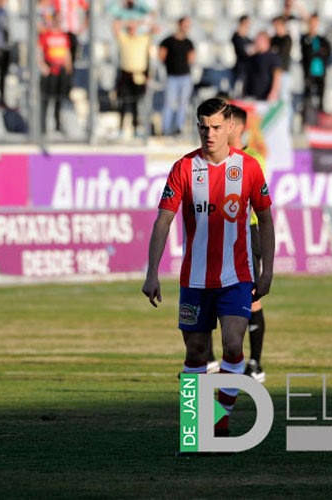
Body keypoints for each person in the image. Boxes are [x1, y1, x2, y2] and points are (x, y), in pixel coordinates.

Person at [142, 98, 275, 437]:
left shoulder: (249, 167)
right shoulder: (184, 168)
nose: (209, 134)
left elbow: (268, 219)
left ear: (230, 127)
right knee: (195, 352)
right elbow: (163, 220)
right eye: (203, 127)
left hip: (236, 275)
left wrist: (268, 269)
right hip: (195, 280)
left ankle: (219, 418)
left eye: (216, 127)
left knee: (232, 344)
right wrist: (152, 272)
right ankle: (192, 423)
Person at [228, 104, 268, 382]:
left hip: (246, 231)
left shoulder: (252, 158)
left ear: (238, 128)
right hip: (221, 234)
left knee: (251, 300)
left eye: (224, 125)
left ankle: (255, 363)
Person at [113, 18, 154, 138]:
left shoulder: (142, 39)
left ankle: (136, 128)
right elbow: (115, 26)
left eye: (133, 28)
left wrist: (138, 23)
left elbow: (154, 28)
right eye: (130, 28)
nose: (131, 30)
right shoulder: (124, 39)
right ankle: (120, 128)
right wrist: (127, 22)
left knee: (137, 103)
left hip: (139, 75)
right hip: (126, 75)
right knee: (123, 103)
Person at [159, 17, 195, 136]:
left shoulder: (189, 42)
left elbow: (191, 58)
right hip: (172, 77)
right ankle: (166, 128)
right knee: (169, 103)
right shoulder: (168, 41)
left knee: (183, 104)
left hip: (185, 77)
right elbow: (161, 55)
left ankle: (179, 127)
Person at [38, 12, 73, 134]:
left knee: (59, 99)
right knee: (46, 99)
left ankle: (58, 124)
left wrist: (69, 67)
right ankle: (42, 127)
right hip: (50, 70)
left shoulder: (64, 36)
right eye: (56, 19)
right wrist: (42, 66)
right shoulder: (46, 35)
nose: (58, 22)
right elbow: (38, 51)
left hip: (61, 71)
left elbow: (67, 52)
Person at [300, 13, 331, 124]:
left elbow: (326, 52)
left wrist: (317, 53)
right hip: (309, 73)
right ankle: (306, 121)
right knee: (307, 98)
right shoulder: (305, 39)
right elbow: (307, 54)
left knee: (320, 98)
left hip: (320, 72)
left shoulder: (322, 39)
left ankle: (320, 121)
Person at [244, 31, 282, 102]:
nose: (256, 42)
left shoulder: (273, 57)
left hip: (266, 97)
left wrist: (273, 92)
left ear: (266, 41)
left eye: (259, 40)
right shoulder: (252, 58)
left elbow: (277, 76)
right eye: (256, 40)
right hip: (252, 97)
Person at [52, 0, 88, 67]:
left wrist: (84, 25)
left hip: (73, 32)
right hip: (61, 33)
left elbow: (87, 9)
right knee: (59, 58)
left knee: (72, 57)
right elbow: (54, 12)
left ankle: (70, 75)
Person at [270, 16, 293, 103]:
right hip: (274, 73)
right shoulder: (274, 39)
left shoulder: (287, 39)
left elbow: (280, 55)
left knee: (284, 97)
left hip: (283, 72)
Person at [231, 15, 253, 97]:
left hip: (247, 71)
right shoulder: (236, 38)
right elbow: (244, 53)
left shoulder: (247, 39)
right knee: (238, 93)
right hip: (240, 70)